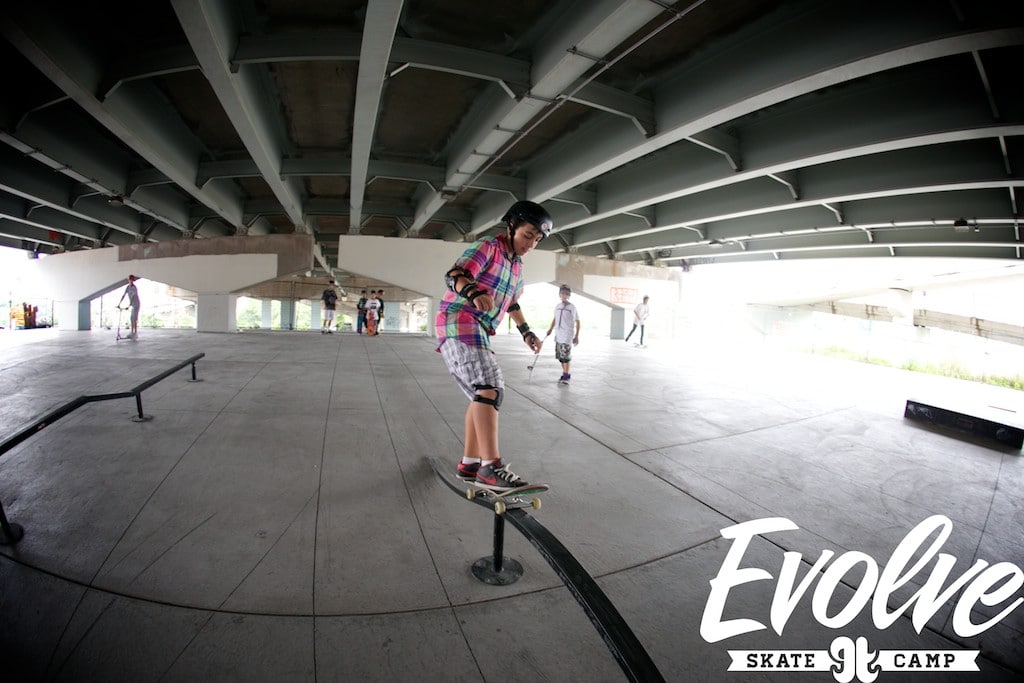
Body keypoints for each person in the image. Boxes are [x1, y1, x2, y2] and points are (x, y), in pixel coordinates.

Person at [437, 199, 551, 491]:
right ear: (511, 227)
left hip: (478, 328)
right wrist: (473, 292)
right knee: (490, 387)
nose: (530, 244)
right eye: (527, 235)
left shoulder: (516, 265)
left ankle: (470, 464)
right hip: (459, 319)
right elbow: (455, 274)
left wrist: (526, 331)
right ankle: (491, 468)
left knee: (482, 393)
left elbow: (510, 303)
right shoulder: (489, 247)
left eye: (537, 240)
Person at [546, 284, 580, 384]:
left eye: (566, 294)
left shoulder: (572, 307)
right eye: (562, 293)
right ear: (559, 294)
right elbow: (555, 319)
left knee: (565, 357)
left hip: (567, 335)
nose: (564, 295)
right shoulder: (558, 306)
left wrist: (576, 336)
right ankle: (566, 374)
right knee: (560, 357)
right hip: (558, 335)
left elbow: (578, 321)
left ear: (569, 295)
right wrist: (550, 329)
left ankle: (566, 376)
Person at [118, 274, 141, 339]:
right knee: (131, 318)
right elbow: (124, 295)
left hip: (136, 304)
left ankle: (135, 333)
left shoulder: (134, 288)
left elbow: (133, 297)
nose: (131, 281)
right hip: (132, 305)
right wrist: (119, 304)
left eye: (132, 280)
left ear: (133, 280)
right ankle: (132, 332)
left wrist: (129, 305)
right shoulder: (128, 287)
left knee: (134, 319)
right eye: (130, 280)